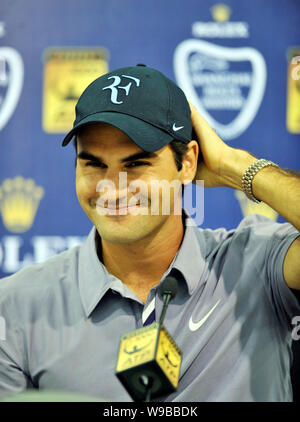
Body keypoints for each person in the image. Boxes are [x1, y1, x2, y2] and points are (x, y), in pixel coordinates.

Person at [0, 64, 300, 402]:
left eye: (136, 164)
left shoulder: (256, 263)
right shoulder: (15, 306)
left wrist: (234, 166)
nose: (113, 190)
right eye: (95, 164)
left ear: (187, 163)